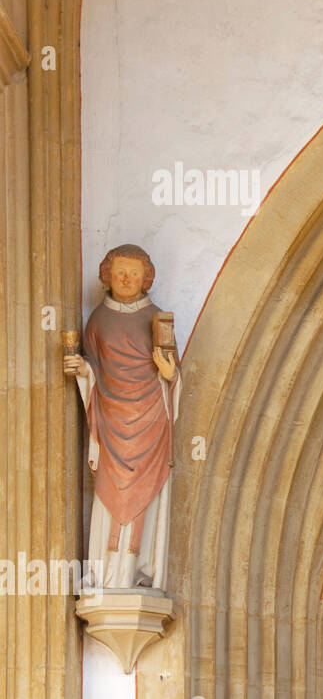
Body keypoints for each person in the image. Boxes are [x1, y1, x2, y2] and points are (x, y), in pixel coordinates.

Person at [64, 244, 180, 591]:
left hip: (150, 422)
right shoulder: (98, 319)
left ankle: (140, 571)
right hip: (112, 422)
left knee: (149, 491)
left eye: (134, 273)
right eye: (120, 272)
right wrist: (81, 369)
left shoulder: (158, 318)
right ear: (107, 276)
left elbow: (173, 375)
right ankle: (104, 572)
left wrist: (169, 372)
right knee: (108, 491)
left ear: (146, 279)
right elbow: (95, 368)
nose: (126, 279)